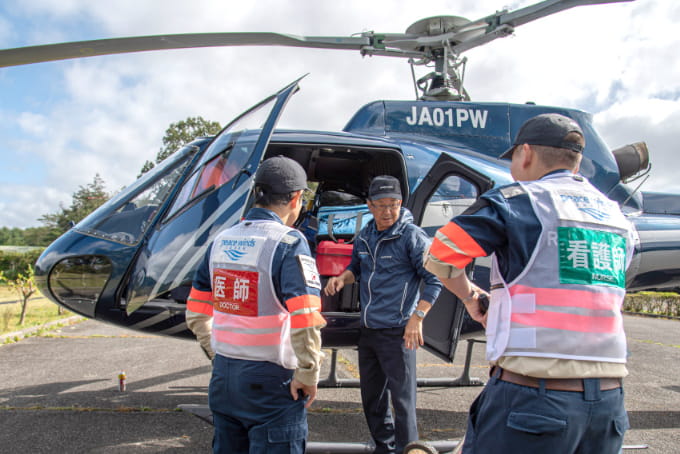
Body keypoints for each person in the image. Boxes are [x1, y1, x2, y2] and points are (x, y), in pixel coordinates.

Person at [424, 113, 636, 453]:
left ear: (526, 153)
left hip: (535, 403)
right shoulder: (617, 218)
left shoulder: (519, 202)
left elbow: (440, 255)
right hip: (608, 406)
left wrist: (468, 297)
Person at [186, 155, 326, 454]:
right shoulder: (289, 243)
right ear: (296, 198)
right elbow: (306, 315)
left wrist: (218, 353)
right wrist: (308, 371)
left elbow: (197, 313)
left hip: (224, 376)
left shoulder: (219, 241)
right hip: (271, 381)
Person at [324, 175, 442, 454]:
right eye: (381, 205)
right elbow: (357, 268)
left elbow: (436, 279)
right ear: (369, 206)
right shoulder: (365, 234)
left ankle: (407, 449)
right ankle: (384, 447)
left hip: (397, 333)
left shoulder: (412, 237)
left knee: (403, 403)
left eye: (394, 204)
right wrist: (343, 278)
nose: (388, 211)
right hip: (369, 332)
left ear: (401, 203)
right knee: (372, 400)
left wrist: (418, 317)